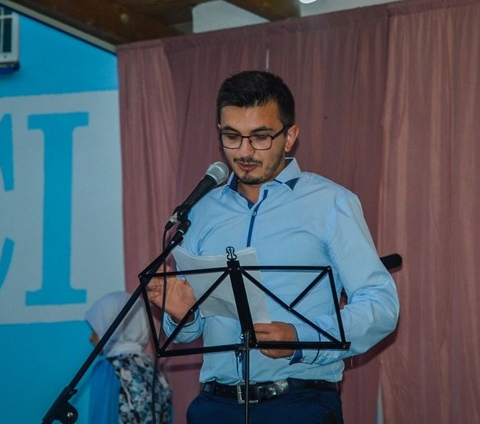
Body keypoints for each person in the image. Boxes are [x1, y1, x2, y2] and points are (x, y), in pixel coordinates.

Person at [147, 70, 399, 423]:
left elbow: (380, 305)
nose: (244, 151)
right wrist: (182, 314)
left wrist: (300, 338)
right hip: (214, 407)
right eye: (231, 136)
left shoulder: (330, 203)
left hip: (298, 404)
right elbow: (190, 332)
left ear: (290, 136)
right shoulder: (201, 212)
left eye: (261, 137)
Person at [85, 291, 173, 424]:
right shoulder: (153, 369)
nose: (91, 338)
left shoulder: (109, 369)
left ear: (111, 327)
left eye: (96, 329)